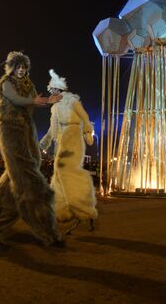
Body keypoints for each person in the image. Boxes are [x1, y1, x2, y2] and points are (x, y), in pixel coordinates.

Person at [0, 51, 63, 247]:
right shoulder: (6, 83)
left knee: (17, 176)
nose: (21, 70)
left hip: (27, 129)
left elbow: (35, 101)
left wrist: (48, 100)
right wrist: (36, 101)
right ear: (12, 67)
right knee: (30, 180)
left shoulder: (29, 84)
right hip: (10, 129)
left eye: (24, 67)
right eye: (18, 67)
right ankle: (48, 232)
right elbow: (16, 100)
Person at [40, 69, 97, 234]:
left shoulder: (71, 100)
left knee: (66, 171)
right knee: (58, 173)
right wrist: (42, 144)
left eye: (52, 91)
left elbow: (84, 116)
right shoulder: (55, 109)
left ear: (59, 90)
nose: (51, 94)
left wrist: (87, 131)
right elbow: (52, 129)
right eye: (50, 92)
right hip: (62, 139)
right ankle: (64, 210)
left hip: (73, 136)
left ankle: (82, 207)